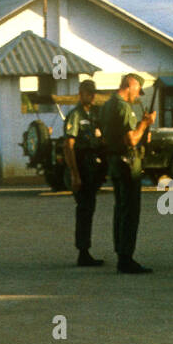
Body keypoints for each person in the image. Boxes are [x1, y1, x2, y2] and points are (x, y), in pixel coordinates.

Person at [100, 73, 156, 273]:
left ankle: (121, 253)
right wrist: (144, 124)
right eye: (137, 91)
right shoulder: (123, 107)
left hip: (115, 162)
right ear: (130, 85)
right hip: (127, 163)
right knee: (130, 210)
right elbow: (131, 139)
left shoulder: (107, 105)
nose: (138, 96)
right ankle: (126, 258)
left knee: (120, 208)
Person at [63, 78, 107, 267]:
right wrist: (74, 174)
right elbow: (69, 146)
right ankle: (83, 251)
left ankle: (85, 250)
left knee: (89, 208)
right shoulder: (75, 115)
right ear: (81, 94)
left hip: (93, 168)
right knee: (84, 210)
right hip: (81, 165)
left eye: (93, 92)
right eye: (88, 92)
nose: (92, 95)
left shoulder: (95, 115)